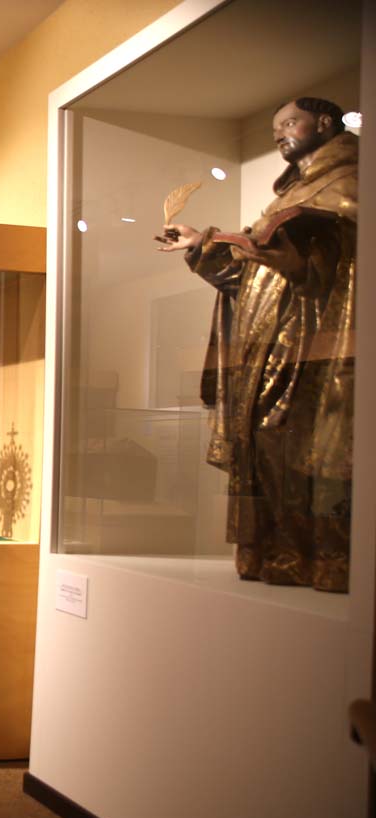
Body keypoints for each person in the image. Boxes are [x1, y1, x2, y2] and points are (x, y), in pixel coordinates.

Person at [157, 97, 357, 592]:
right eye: (274, 128)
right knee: (265, 445)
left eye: (289, 123)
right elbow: (247, 276)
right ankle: (278, 551)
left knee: (307, 447)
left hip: (318, 347)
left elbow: (348, 269)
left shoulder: (351, 181)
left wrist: (298, 264)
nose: (279, 133)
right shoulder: (287, 196)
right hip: (268, 347)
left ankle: (324, 556)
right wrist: (201, 245)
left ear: (324, 123)